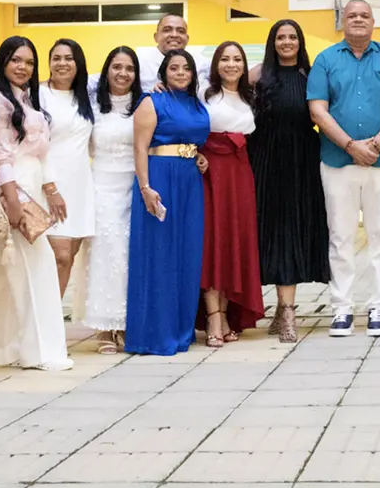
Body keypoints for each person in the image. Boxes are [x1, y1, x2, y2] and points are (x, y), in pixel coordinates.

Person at [310, 0, 380, 338]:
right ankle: (341, 307)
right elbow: (318, 111)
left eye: (364, 16)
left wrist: (376, 145)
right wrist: (351, 146)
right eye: (351, 15)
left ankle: (378, 306)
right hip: (337, 161)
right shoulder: (325, 60)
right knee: (340, 236)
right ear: (342, 22)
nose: (357, 20)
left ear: (373, 22)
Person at [0, 36, 71, 371]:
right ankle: (43, 352)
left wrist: (51, 189)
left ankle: (1, 349)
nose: (22, 67)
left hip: (33, 183)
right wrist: (12, 197)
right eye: (16, 60)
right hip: (14, 187)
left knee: (10, 270)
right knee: (38, 264)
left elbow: (41, 152)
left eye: (29, 63)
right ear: (3, 62)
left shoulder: (29, 100)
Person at [127, 50, 210, 355]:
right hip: (159, 180)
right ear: (163, 72)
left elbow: (191, 141)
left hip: (189, 180)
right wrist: (145, 187)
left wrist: (197, 155)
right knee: (159, 255)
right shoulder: (152, 101)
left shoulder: (196, 103)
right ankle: (154, 334)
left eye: (185, 68)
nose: (180, 72)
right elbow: (139, 148)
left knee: (187, 255)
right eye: (173, 67)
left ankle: (181, 331)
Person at [249, 20, 327, 344]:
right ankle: (282, 308)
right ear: (272, 42)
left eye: (292, 36)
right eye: (280, 37)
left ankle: (288, 311)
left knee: (294, 230)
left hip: (301, 162)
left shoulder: (311, 75)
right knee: (270, 232)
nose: (286, 42)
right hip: (265, 160)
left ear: (300, 41)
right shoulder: (256, 75)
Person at [198, 42, 263, 346]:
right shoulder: (204, 94)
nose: (231, 64)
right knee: (214, 243)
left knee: (235, 242)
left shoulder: (251, 97)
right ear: (216, 64)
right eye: (225, 59)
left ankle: (226, 314)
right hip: (211, 172)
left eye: (237, 59)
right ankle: (212, 316)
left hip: (240, 172)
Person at [87, 48, 142, 353]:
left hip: (134, 185)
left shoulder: (144, 105)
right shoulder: (93, 104)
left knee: (132, 255)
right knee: (109, 253)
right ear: (106, 70)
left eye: (129, 68)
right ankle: (106, 326)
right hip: (103, 186)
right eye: (117, 67)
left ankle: (128, 321)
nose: (123, 73)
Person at [39, 39, 95, 297]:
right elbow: (33, 146)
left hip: (80, 187)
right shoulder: (38, 95)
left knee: (68, 258)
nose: (62, 63)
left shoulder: (86, 98)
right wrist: (50, 188)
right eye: (56, 58)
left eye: (68, 58)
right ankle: (42, 323)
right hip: (48, 186)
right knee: (57, 257)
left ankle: (53, 326)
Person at [136, 13, 211, 90]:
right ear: (156, 37)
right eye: (167, 30)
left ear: (187, 38)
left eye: (181, 31)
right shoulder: (139, 63)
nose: (174, 35)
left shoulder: (202, 64)